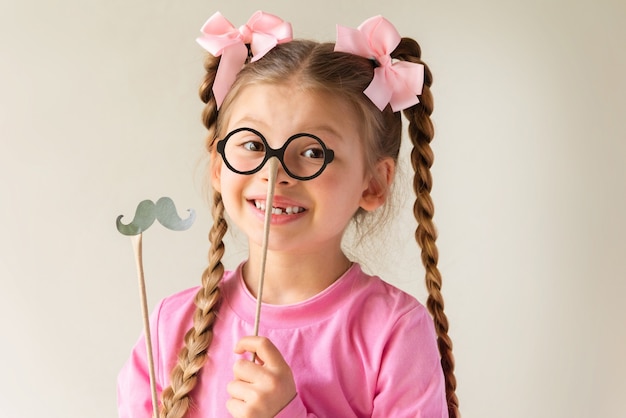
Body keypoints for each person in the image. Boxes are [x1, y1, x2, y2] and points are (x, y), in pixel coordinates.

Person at [118, 10, 459, 418]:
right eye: (252, 145)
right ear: (218, 165)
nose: (273, 172)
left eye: (313, 152)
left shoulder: (395, 331)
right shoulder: (171, 325)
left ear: (373, 183)